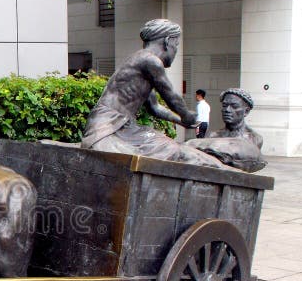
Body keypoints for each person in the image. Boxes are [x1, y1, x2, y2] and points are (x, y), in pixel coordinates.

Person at [81, 19, 229, 169]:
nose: (176, 50)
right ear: (167, 41)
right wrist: (186, 114)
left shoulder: (140, 64)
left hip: (122, 127)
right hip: (107, 130)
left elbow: (155, 107)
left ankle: (220, 168)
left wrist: (180, 121)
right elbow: (171, 96)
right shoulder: (150, 61)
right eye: (176, 45)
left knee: (171, 148)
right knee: (171, 152)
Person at [185, 88, 266, 172]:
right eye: (224, 105)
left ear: (246, 111)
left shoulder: (255, 138)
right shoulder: (212, 136)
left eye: (234, 106)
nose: (227, 110)